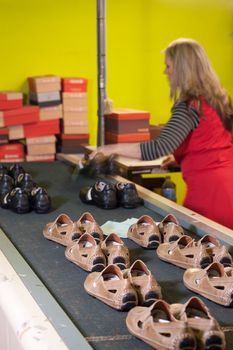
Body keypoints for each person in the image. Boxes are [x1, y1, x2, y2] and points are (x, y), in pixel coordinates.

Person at [90, 38, 233, 229]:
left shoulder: (190, 106)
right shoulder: (218, 98)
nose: (165, 72)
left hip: (210, 195)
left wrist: (109, 149)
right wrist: (185, 157)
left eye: (168, 65)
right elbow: (216, 141)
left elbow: (158, 148)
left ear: (182, 69)